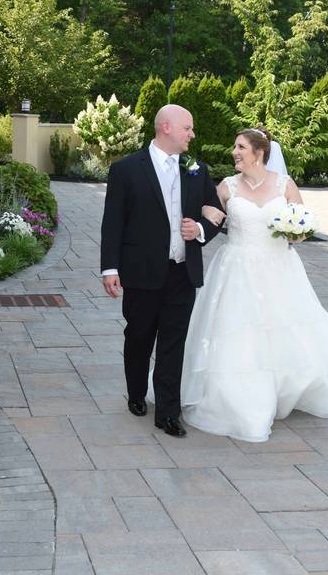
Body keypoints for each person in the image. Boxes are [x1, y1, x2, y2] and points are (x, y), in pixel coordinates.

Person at [183, 127, 328, 442]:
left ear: (258, 152)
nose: (234, 152)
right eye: (234, 146)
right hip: (236, 268)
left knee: (284, 328)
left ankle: (286, 389)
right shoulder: (226, 187)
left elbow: (303, 224)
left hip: (279, 268)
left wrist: (297, 231)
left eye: (240, 147)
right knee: (239, 331)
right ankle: (238, 395)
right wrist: (203, 215)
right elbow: (207, 215)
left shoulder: (284, 185)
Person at [100, 104, 223, 438]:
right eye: (188, 128)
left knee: (173, 343)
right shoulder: (126, 169)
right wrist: (109, 268)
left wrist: (197, 230)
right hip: (140, 271)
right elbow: (113, 222)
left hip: (183, 272)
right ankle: (137, 393)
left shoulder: (197, 169)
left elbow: (216, 213)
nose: (192, 134)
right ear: (166, 127)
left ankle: (168, 412)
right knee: (139, 336)